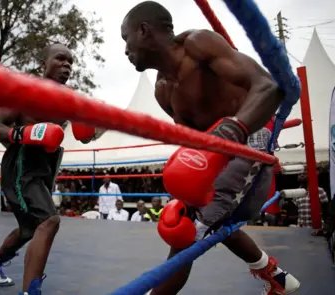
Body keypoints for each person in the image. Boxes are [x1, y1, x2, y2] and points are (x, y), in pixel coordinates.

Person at [120, 2, 300, 294]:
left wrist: (232, 129)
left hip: (252, 138)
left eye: (125, 38)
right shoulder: (163, 90)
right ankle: (273, 274)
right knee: (197, 219)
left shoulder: (198, 44)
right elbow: (192, 144)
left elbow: (268, 87)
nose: (125, 50)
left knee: (190, 232)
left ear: (143, 31)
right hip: (217, 157)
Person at [0, 44, 100, 295]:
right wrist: (23, 133)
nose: (66, 65)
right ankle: (31, 291)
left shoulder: (69, 100)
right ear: (42, 63)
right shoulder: (24, 91)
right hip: (22, 167)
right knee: (49, 220)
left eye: (70, 62)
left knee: (29, 229)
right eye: (60, 59)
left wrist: (90, 127)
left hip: (44, 168)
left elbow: (86, 138)